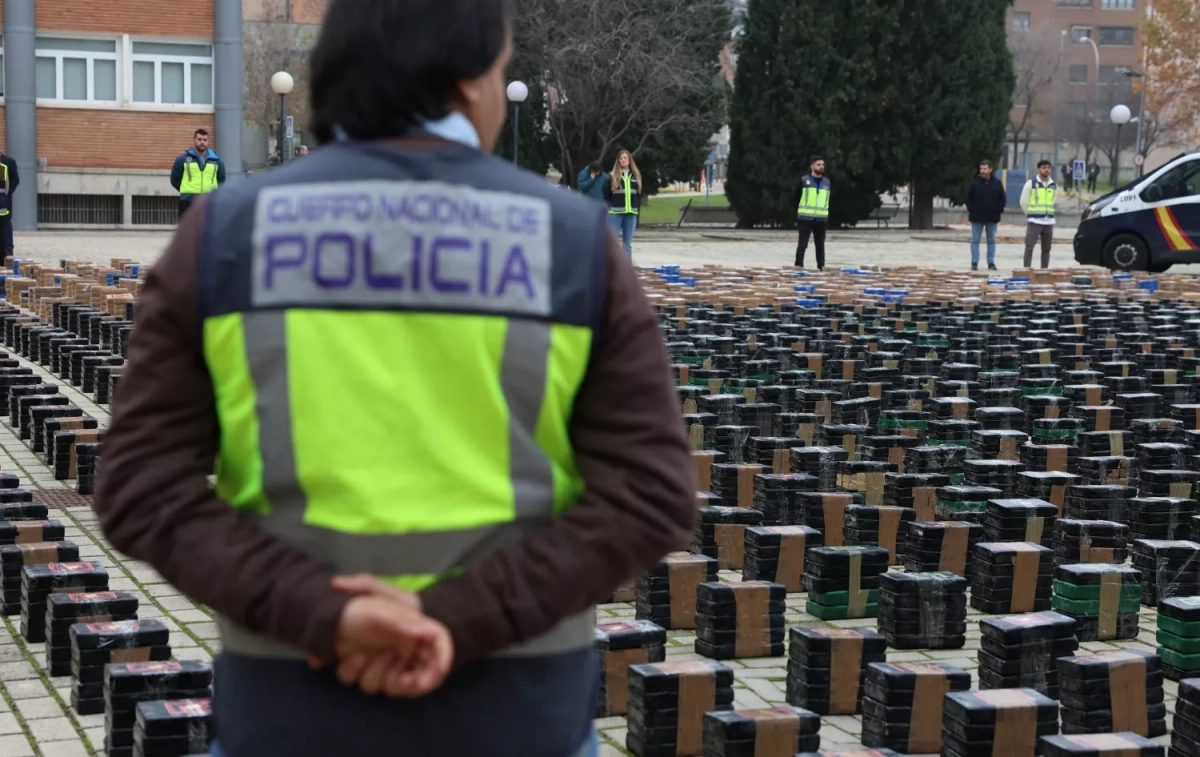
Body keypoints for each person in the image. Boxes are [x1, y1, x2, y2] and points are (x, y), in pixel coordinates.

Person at [93, 1, 696, 756]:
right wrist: (451, 618)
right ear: (472, 82)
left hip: (292, 705)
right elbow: (652, 492)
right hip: (516, 709)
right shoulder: (571, 240)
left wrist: (328, 614)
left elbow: (140, 486)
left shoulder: (224, 234)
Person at [169, 128, 226, 219]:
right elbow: (174, 179)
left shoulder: (216, 160)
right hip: (188, 201)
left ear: (208, 141)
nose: (202, 142)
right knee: (187, 231)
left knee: (207, 231)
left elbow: (221, 179)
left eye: (205, 140)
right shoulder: (182, 159)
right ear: (194, 140)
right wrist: (186, 191)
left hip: (209, 201)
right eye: (199, 139)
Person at [965, 159, 1006, 272]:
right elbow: (968, 198)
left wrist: (998, 211)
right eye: (981, 169)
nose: (982, 171)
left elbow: (1002, 199)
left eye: (985, 169)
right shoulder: (974, 183)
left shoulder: (997, 183)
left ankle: (991, 262)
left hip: (992, 218)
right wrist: (972, 210)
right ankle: (974, 262)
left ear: (990, 170)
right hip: (977, 217)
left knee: (991, 240)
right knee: (975, 240)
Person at [794, 155, 831, 269]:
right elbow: (795, 198)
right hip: (805, 218)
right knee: (803, 244)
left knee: (820, 245)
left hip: (821, 219)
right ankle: (798, 266)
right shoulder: (804, 181)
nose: (821, 167)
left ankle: (821, 267)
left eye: (822, 165)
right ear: (812, 166)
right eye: (818, 165)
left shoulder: (827, 182)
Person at [1021, 159, 1057, 269]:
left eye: (1048, 168)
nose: (1046, 170)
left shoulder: (1053, 185)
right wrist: (1030, 214)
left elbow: (1053, 201)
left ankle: (1044, 271)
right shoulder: (1031, 183)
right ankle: (1026, 270)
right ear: (1038, 169)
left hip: (1048, 221)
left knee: (1046, 249)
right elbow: (1023, 201)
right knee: (1029, 247)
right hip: (1034, 221)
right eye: (1044, 167)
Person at [603, 150, 641, 254]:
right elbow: (606, 195)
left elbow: (638, 195)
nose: (623, 160)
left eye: (625, 158)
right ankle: (611, 269)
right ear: (618, 161)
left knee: (627, 245)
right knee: (613, 243)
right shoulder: (612, 176)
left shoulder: (635, 176)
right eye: (621, 158)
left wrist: (635, 208)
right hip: (615, 214)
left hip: (631, 214)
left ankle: (626, 269)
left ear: (629, 160)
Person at [0, 148, 19, 255]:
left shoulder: (9, 162)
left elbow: (15, 180)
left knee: (5, 225)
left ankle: (7, 249)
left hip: (3, 201)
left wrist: (7, 194)